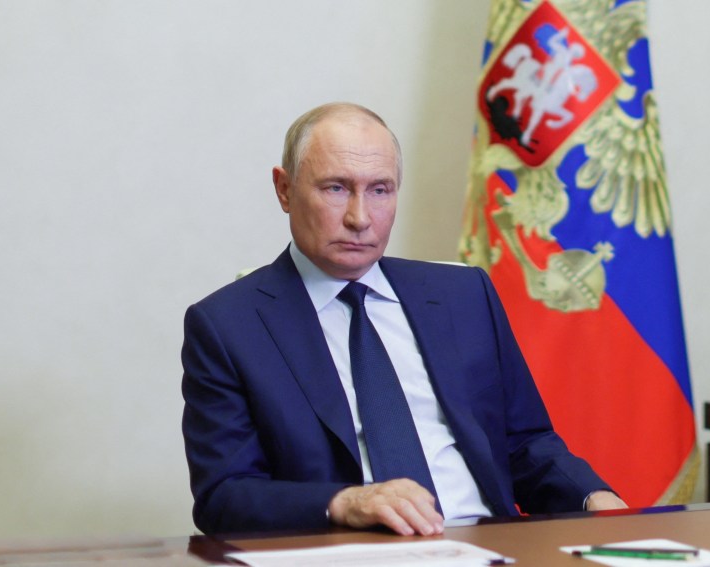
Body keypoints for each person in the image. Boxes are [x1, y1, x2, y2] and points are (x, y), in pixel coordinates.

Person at [181, 102, 627, 536]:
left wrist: (594, 498)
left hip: (486, 546)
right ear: (284, 189)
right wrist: (344, 503)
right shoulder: (227, 326)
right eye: (335, 188)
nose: (360, 218)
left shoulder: (464, 295)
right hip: (354, 553)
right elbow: (224, 497)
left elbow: (524, 444)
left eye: (380, 190)